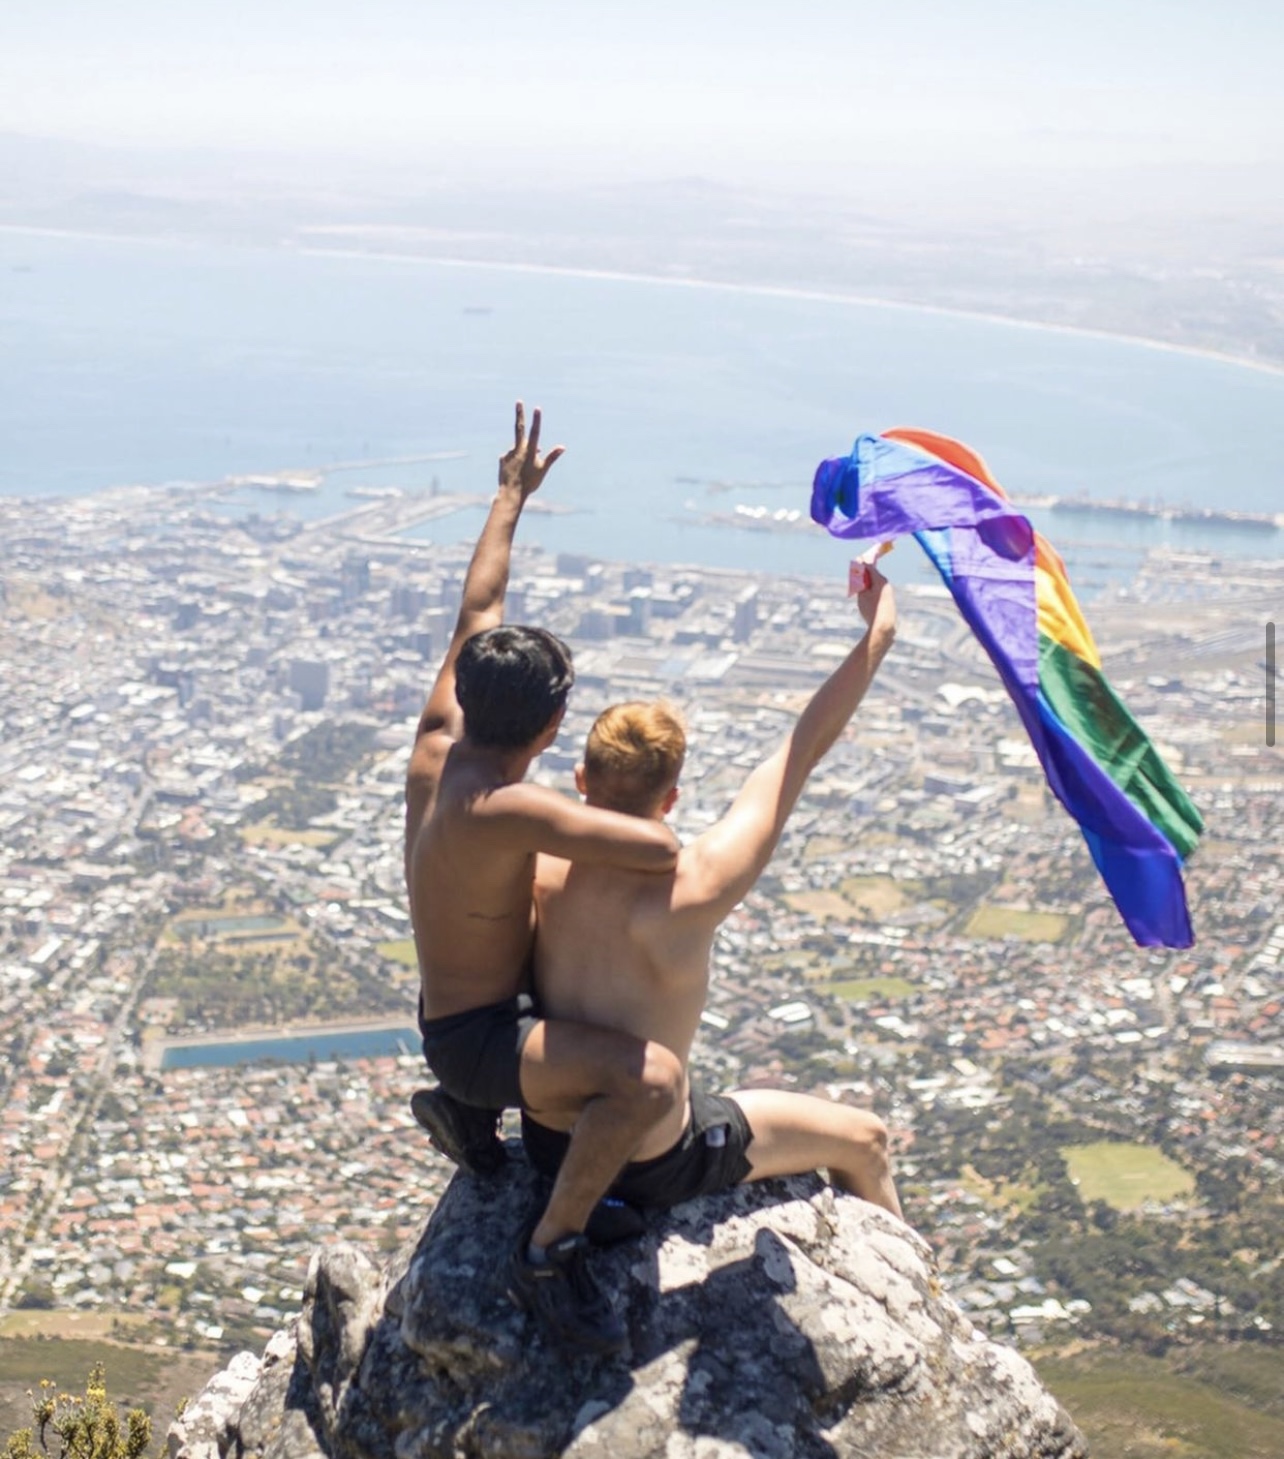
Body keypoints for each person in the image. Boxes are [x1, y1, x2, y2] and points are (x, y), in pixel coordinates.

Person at [405, 402, 686, 1354]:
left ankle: (470, 1115)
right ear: (554, 728)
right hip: (483, 1040)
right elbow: (658, 852)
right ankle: (550, 1248)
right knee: (649, 1085)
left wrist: (508, 496)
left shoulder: (441, 742)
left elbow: (478, 606)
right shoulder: (506, 807)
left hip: (456, 1010)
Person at [525, 564, 904, 1221]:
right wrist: (880, 630)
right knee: (865, 1139)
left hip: (544, 1141)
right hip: (652, 1160)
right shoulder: (694, 886)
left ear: (581, 779)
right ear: (671, 798)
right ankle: (914, 1314)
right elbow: (799, 749)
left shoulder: (532, 861)